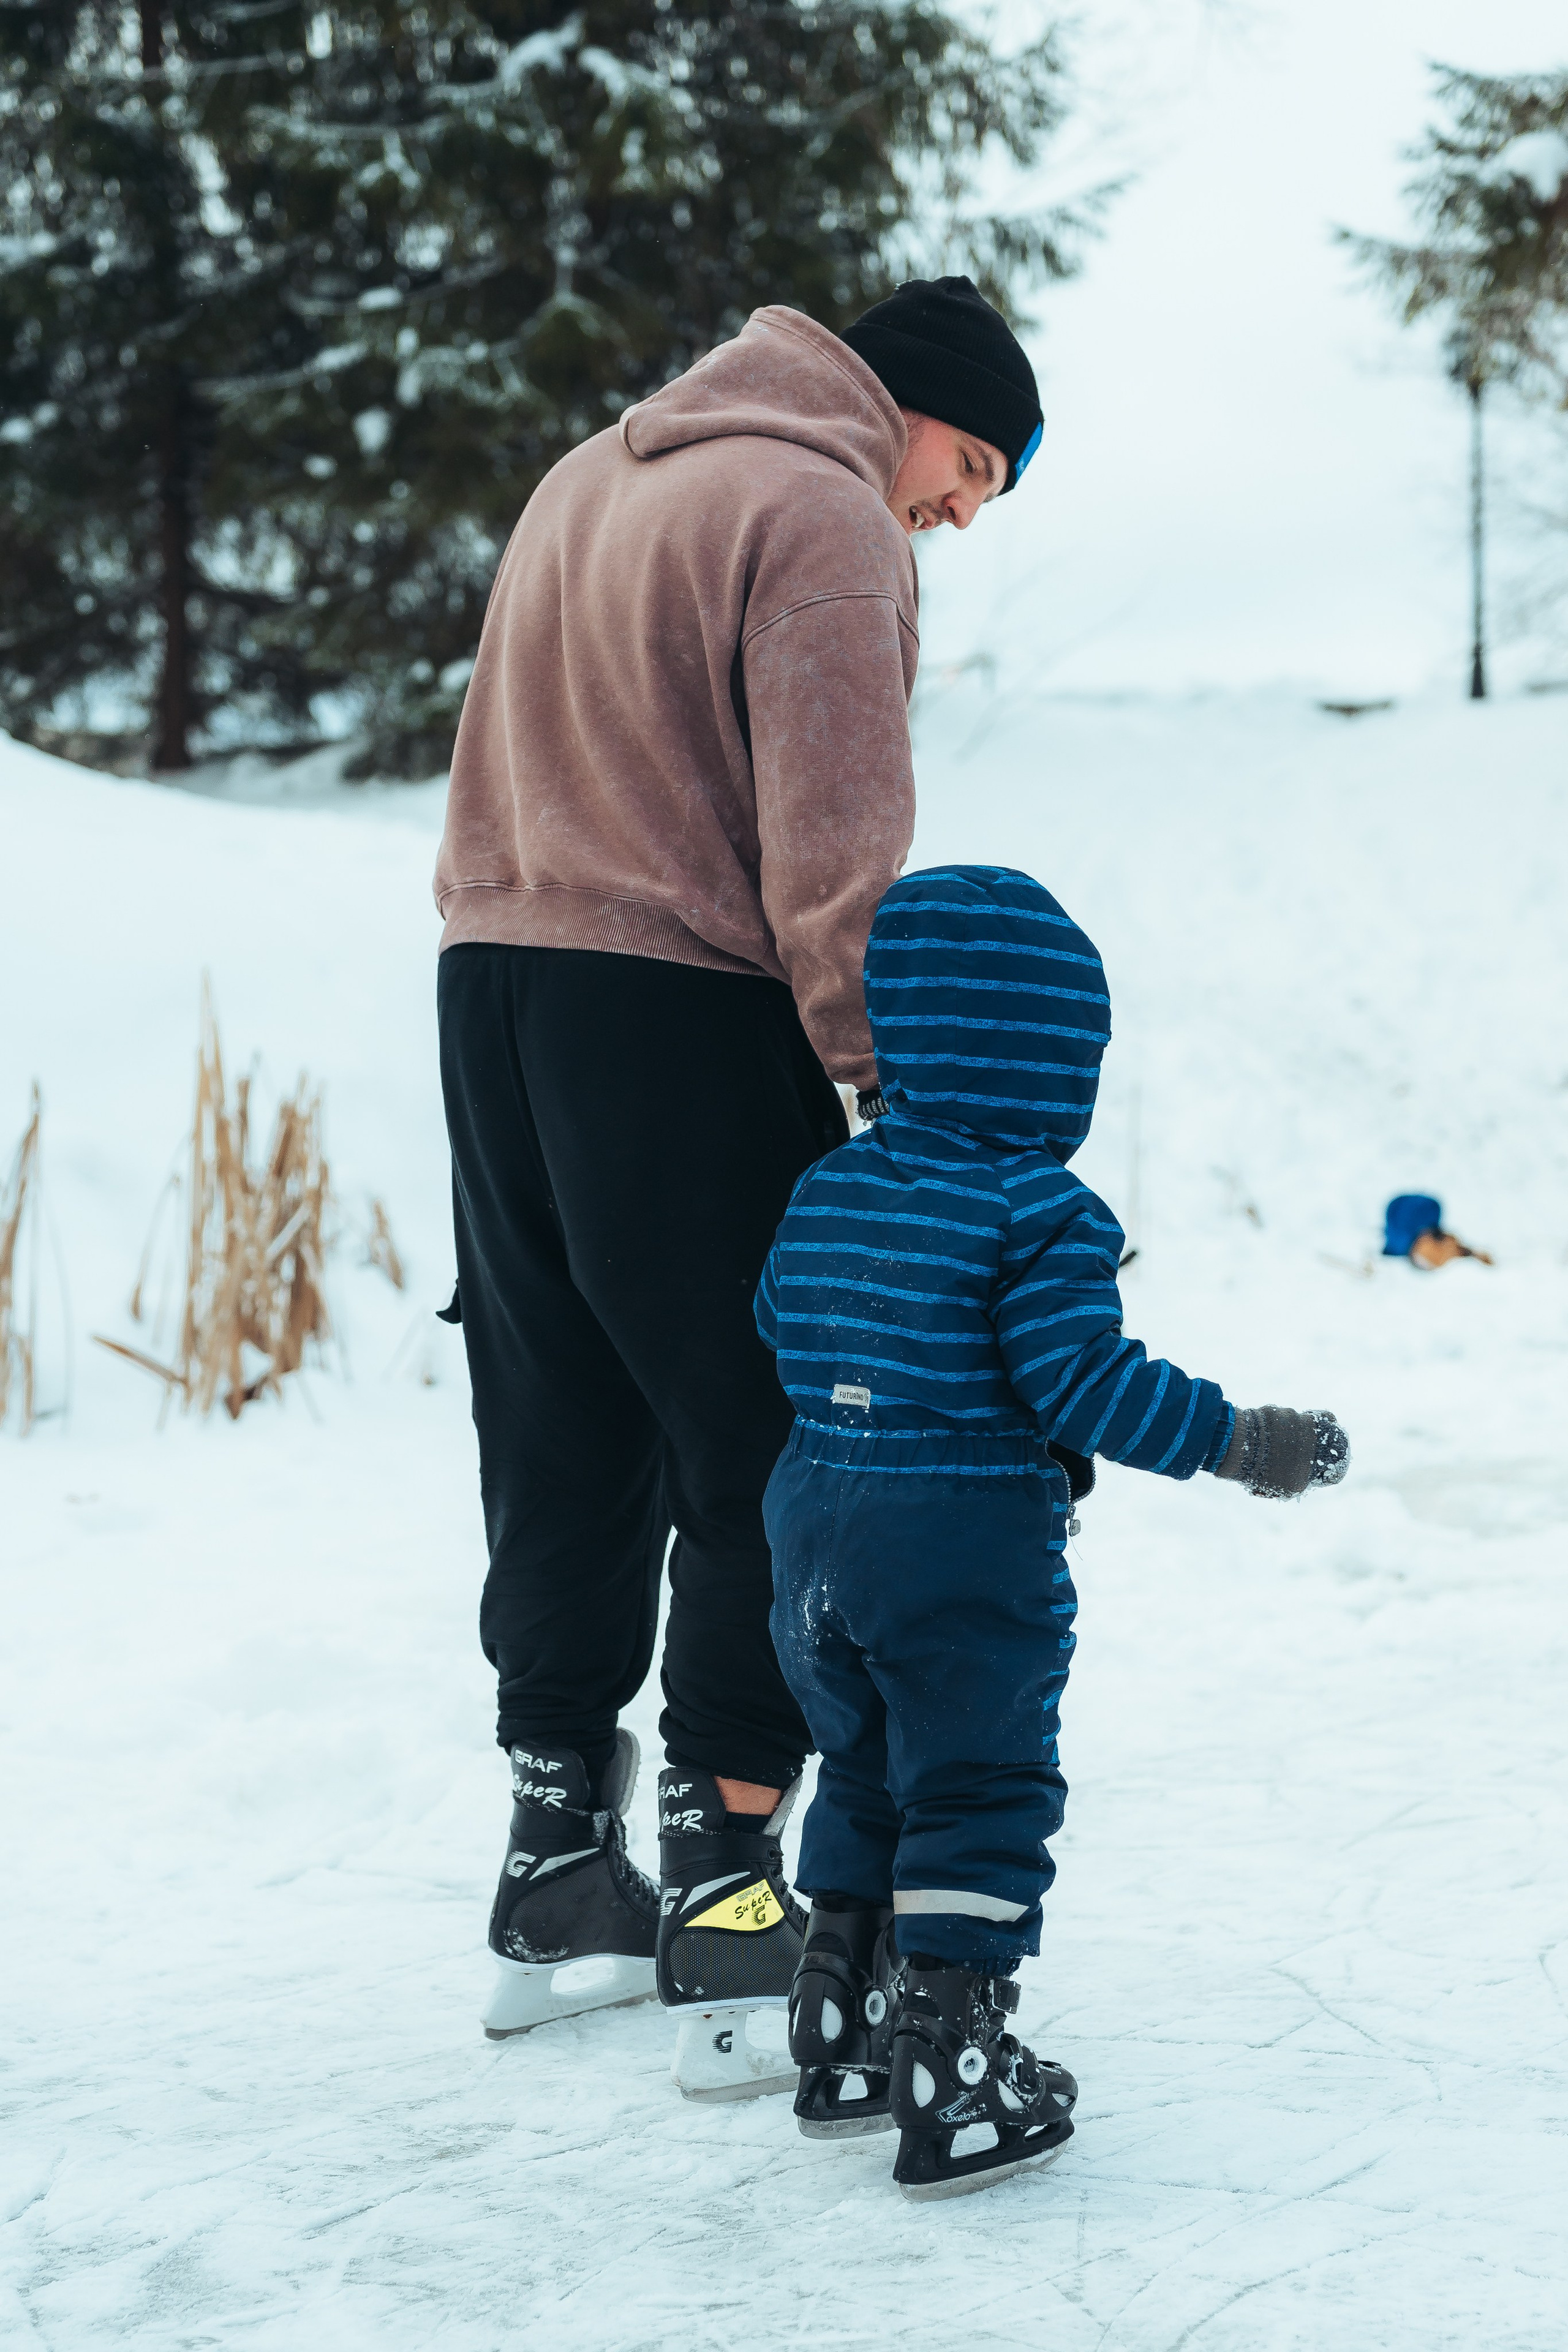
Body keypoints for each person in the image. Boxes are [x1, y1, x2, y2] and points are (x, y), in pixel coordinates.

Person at [432, 278, 1047, 2089]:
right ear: (907, 405)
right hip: (687, 1012)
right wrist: (896, 1086)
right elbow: (839, 837)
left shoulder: (585, 481)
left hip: (492, 989)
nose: (959, 510)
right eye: (972, 465)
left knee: (560, 1416)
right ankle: (720, 1883)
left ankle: (559, 1865)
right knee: (774, 1429)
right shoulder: (823, 513)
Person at [756, 864, 1351, 2198]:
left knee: (860, 1769)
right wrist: (1243, 1440)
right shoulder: (1041, 1212)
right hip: (955, 1537)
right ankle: (954, 2073)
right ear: (1053, 1063)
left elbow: (776, 1329)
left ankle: (839, 2024)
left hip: (810, 1532)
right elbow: (1084, 1386)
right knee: (974, 1783)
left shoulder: (829, 1190)